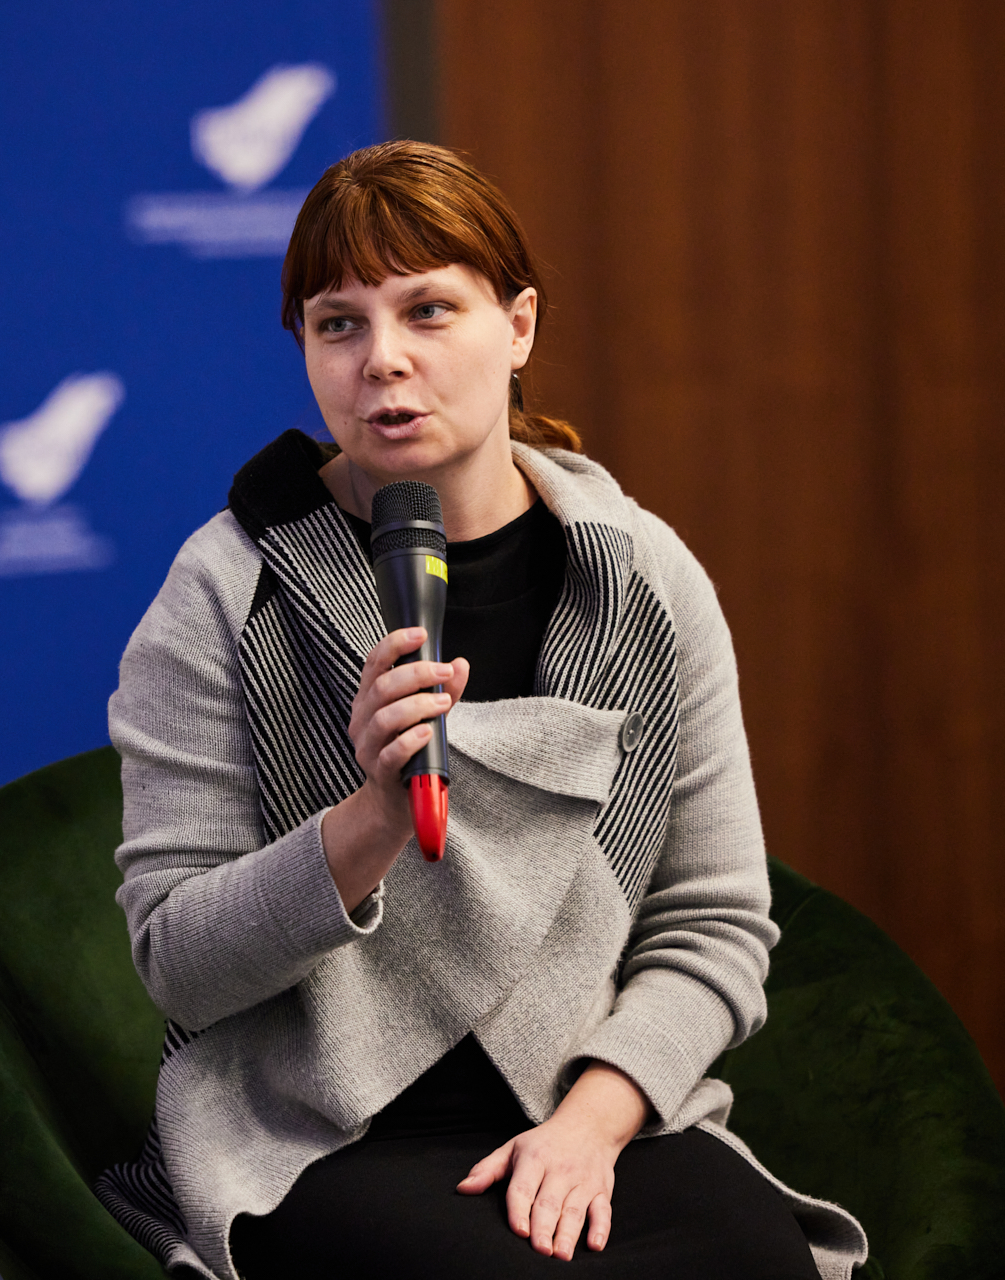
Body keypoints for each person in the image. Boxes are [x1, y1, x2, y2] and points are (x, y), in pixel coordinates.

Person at [92, 142, 869, 1279]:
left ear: (518, 327)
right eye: (338, 323)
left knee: (757, 1257)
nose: (382, 359)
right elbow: (179, 962)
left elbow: (713, 924)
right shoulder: (222, 592)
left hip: (584, 1106)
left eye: (427, 310)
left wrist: (592, 1122)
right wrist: (366, 820)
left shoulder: (643, 581)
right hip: (322, 1136)